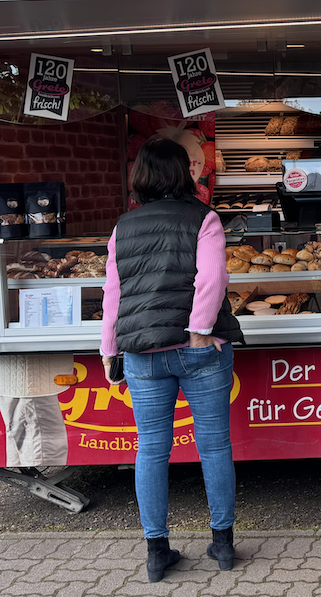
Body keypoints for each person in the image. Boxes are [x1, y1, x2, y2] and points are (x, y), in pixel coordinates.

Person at [100, 137, 244, 582]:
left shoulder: (123, 227)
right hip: (199, 350)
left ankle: (157, 552)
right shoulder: (205, 218)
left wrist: (109, 350)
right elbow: (213, 278)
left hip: (143, 353)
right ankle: (222, 545)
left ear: (140, 176)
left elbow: (113, 295)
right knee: (214, 445)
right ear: (185, 173)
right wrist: (201, 331)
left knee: (151, 450)